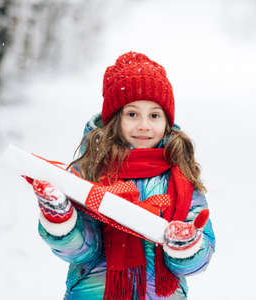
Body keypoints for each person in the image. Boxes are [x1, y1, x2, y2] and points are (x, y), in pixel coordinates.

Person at [27, 51, 216, 299]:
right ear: (115, 119)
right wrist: (62, 221)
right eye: (132, 114)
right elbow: (82, 251)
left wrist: (186, 246)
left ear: (167, 121)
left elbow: (197, 261)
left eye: (154, 115)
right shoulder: (90, 171)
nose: (144, 125)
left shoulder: (180, 177)